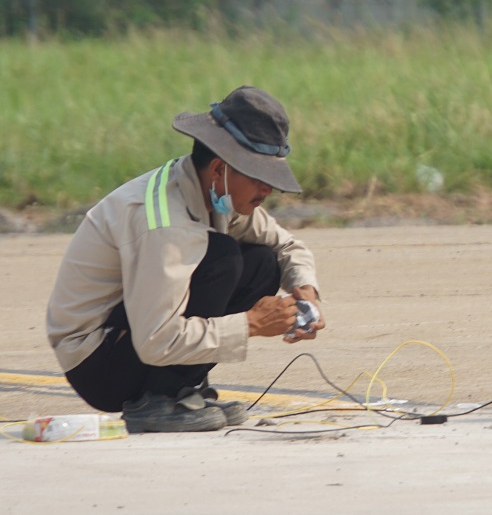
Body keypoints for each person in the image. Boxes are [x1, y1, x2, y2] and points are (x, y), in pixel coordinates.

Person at [47, 86, 326, 433]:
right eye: (258, 177)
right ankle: (159, 398)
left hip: (132, 339)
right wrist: (251, 324)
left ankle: (182, 392)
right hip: (97, 363)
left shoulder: (215, 193)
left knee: (262, 263)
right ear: (220, 169)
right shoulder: (165, 225)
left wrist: (305, 290)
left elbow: (287, 247)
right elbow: (156, 340)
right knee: (222, 258)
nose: (267, 190)